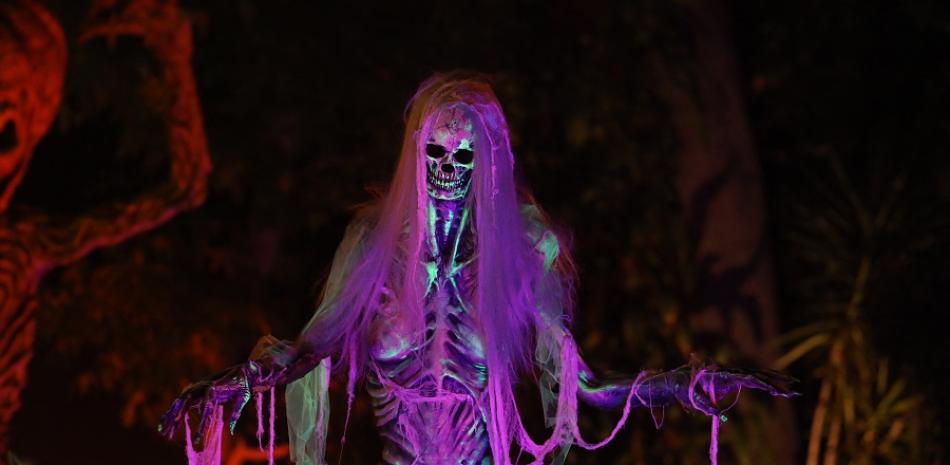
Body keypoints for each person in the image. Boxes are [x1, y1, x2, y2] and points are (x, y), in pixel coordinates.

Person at [159, 72, 795, 465]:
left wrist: (684, 387)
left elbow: (586, 387)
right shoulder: (374, 244)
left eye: (463, 156)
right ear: (415, 150)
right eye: (434, 150)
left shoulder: (521, 250)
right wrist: (237, 380)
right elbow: (310, 347)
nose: (445, 168)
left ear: (487, 162)